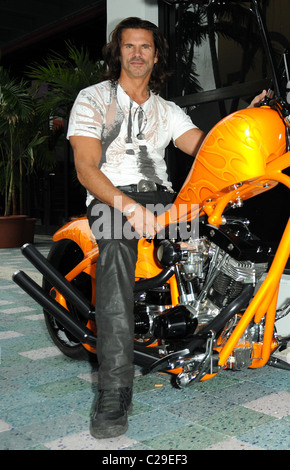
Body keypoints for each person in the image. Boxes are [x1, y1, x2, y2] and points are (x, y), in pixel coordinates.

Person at [67, 17, 267, 439]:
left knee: (227, 238)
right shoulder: (93, 98)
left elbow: (207, 146)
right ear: (117, 52)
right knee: (118, 248)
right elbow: (86, 168)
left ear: (156, 56)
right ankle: (114, 391)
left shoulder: (168, 110)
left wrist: (247, 120)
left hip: (162, 198)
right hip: (110, 195)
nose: (137, 54)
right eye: (129, 46)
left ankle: (217, 332)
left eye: (145, 47)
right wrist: (126, 207)